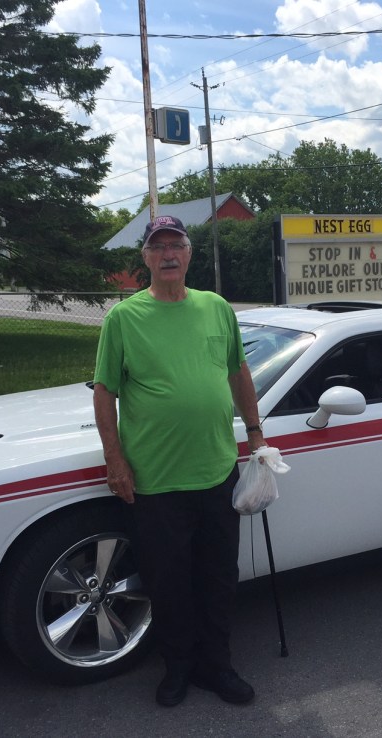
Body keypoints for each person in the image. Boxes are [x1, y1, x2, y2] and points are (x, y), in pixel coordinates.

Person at [92, 215, 265, 706]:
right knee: (169, 582)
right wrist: (115, 460)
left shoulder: (216, 308)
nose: (169, 254)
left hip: (216, 472)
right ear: (145, 257)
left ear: (189, 254)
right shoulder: (124, 318)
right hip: (155, 480)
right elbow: (105, 392)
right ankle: (178, 667)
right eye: (158, 246)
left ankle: (218, 666)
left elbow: (238, 372)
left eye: (177, 245)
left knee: (218, 577)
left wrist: (256, 434)